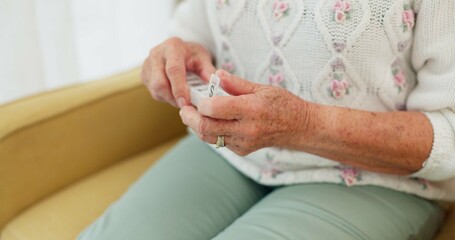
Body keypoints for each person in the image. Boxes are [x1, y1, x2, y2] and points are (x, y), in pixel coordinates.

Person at [78, 0, 455, 239]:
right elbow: (194, 28)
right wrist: (176, 53)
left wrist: (304, 125)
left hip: (377, 180)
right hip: (225, 153)